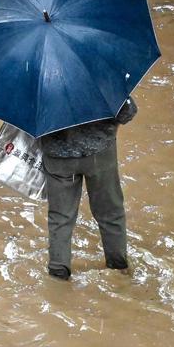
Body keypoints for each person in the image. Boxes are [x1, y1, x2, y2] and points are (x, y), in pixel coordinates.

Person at [39, 97, 137, 280]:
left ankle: (58, 275)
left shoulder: (40, 83)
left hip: (57, 157)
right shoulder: (100, 76)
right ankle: (119, 270)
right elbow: (126, 113)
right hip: (99, 152)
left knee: (60, 218)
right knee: (110, 212)